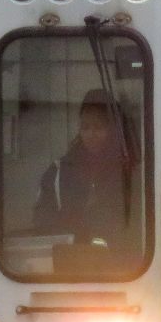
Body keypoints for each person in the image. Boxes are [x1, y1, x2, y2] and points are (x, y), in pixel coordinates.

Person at [33, 89, 134, 246]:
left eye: (99, 127)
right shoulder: (58, 171)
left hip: (119, 262)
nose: (91, 134)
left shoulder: (129, 172)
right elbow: (41, 219)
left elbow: (135, 223)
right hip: (71, 259)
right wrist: (71, 224)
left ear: (113, 130)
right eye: (85, 127)